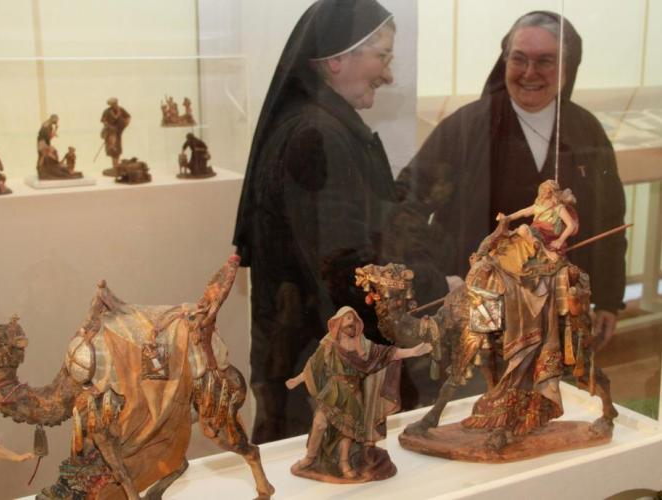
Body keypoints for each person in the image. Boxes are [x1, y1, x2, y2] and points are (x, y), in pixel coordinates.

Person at [395, 11, 626, 349]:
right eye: (519, 59)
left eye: (545, 61)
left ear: (566, 67)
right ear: (505, 61)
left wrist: (608, 299)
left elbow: (610, 219)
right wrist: (432, 279)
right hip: (478, 314)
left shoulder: (585, 130)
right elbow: (405, 204)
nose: (529, 73)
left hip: (559, 315)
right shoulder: (465, 129)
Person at [232, 0, 399, 443]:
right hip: (317, 365)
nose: (388, 75)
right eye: (382, 56)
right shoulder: (316, 134)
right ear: (336, 60)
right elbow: (342, 266)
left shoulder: (319, 123)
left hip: (306, 354)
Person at [286, 306, 431, 480]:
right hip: (332, 392)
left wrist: (412, 352)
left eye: (354, 319)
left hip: (353, 393)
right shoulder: (329, 344)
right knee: (319, 423)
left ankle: (344, 463)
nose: (351, 322)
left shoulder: (363, 346)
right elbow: (312, 366)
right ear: (338, 322)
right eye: (348, 318)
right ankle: (309, 458)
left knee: (348, 431)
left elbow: (387, 353)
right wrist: (297, 380)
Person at [100, 98, 131, 169]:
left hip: (118, 132)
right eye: (113, 104)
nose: (115, 105)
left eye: (115, 103)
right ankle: (114, 166)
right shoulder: (107, 111)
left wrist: (126, 124)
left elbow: (128, 117)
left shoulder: (121, 109)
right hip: (110, 132)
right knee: (112, 149)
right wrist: (107, 125)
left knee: (118, 149)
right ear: (110, 105)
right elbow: (103, 120)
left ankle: (116, 166)